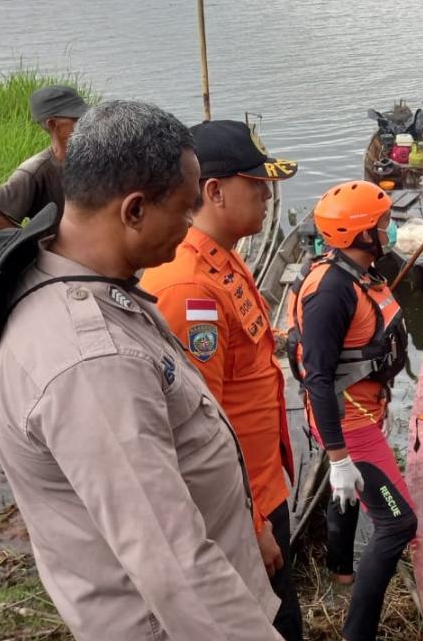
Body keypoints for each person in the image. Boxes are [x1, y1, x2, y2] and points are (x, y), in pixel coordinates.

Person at [0, 101, 281, 640]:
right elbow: (174, 568)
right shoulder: (93, 364)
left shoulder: (85, 280)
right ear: (135, 210)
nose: (191, 226)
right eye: (186, 209)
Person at [140, 120, 302, 640]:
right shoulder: (189, 288)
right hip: (240, 507)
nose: (267, 196)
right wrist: (251, 527)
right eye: (256, 185)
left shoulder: (225, 257)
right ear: (214, 191)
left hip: (264, 485)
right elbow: (195, 426)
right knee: (271, 624)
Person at [288, 180, 417, 641]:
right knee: (398, 523)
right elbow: (318, 378)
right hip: (349, 425)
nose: (390, 228)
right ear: (361, 234)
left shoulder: (359, 272)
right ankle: (356, 634)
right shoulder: (331, 293)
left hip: (364, 412)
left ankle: (341, 570)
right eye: (383, 223)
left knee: (346, 496)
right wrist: (340, 458)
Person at [0, 85, 88, 228]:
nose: (88, 123)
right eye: (78, 119)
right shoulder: (35, 171)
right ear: (53, 124)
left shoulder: (97, 156)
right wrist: (28, 238)